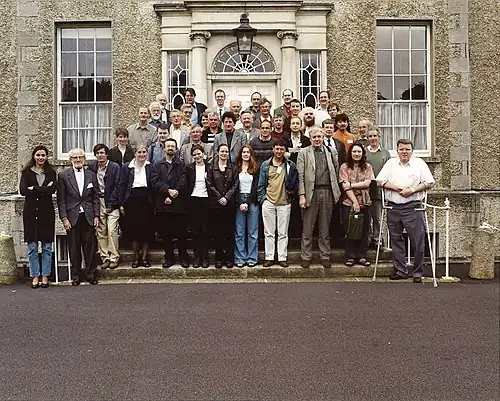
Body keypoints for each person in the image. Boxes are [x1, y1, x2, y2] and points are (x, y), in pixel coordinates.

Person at [376, 138, 435, 283]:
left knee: (418, 242)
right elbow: (379, 181)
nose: (404, 152)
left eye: (407, 149)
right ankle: (400, 271)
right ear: (397, 150)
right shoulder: (390, 163)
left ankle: (418, 273)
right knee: (396, 241)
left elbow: (429, 182)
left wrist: (412, 190)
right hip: (393, 207)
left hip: (413, 207)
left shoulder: (419, 163)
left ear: (412, 151)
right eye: (401, 149)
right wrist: (396, 188)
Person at [297, 127, 342, 268]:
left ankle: (325, 255)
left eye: (319, 137)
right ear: (310, 139)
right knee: (307, 227)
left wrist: (336, 192)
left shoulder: (331, 151)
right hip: (311, 192)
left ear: (323, 138)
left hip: (327, 191)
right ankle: (306, 256)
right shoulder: (304, 152)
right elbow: (300, 176)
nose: (317, 139)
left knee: (325, 227)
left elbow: (336, 170)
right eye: (314, 137)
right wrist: (302, 195)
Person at [57, 148, 100, 286]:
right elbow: (61, 200)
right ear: (70, 160)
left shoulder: (91, 175)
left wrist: (96, 215)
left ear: (84, 159)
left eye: (80, 157)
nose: (78, 160)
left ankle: (90, 274)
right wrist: (64, 218)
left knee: (90, 248)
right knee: (74, 248)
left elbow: (95, 198)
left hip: (88, 216)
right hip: (72, 217)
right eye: (75, 158)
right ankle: (76, 275)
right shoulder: (63, 175)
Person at [19, 145, 57, 288]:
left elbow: (51, 190)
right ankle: (35, 275)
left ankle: (45, 275)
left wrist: (34, 188)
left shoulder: (51, 172)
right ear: (34, 156)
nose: (41, 158)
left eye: (43, 155)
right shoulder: (26, 172)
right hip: (30, 213)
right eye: (38, 155)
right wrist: (42, 189)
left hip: (46, 213)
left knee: (47, 246)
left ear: (46, 157)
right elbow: (23, 191)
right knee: (32, 247)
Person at [257, 140, 298, 267]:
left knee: (283, 233)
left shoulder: (290, 165)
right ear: (273, 149)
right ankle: (269, 257)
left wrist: (291, 195)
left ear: (285, 150)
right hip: (269, 201)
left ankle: (282, 257)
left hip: (284, 202)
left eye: (282, 149)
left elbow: (295, 182)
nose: (279, 151)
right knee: (268, 232)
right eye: (277, 149)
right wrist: (263, 199)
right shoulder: (265, 165)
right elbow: (261, 184)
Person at [151, 138, 190, 268]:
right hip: (163, 204)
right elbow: (155, 182)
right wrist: (167, 192)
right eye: (168, 146)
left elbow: (183, 181)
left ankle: (183, 257)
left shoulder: (181, 165)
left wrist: (174, 194)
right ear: (164, 148)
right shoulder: (157, 165)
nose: (170, 148)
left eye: (173, 146)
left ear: (176, 149)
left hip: (178, 204)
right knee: (166, 234)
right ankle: (169, 258)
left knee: (181, 234)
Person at [339, 142, 374, 268]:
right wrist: (355, 202)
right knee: (350, 230)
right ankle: (350, 256)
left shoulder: (368, 167)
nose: (356, 154)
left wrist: (352, 185)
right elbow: (345, 186)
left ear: (362, 153)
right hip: (349, 202)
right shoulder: (344, 167)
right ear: (350, 153)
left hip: (365, 201)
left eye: (359, 151)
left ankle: (362, 256)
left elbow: (367, 183)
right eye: (354, 151)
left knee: (364, 230)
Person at [119, 145, 154, 268]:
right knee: (134, 231)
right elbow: (122, 185)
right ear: (135, 154)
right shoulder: (127, 167)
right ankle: (136, 257)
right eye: (139, 152)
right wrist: (121, 203)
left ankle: (144, 258)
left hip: (146, 201)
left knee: (146, 231)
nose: (142, 154)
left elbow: (153, 184)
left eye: (144, 152)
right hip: (132, 200)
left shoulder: (150, 166)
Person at [89, 144, 121, 270]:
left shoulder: (114, 167)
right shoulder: (93, 167)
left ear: (107, 154)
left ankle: (114, 257)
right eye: (97, 153)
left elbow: (118, 186)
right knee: (101, 230)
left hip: (112, 201)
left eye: (102, 153)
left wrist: (111, 203)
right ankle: (105, 257)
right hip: (98, 200)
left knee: (112, 230)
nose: (100, 155)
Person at [207, 144, 237, 268]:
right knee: (218, 232)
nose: (224, 154)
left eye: (226, 152)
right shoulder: (211, 167)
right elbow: (209, 183)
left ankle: (229, 258)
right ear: (218, 153)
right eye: (222, 151)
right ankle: (219, 258)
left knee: (229, 232)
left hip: (229, 204)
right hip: (216, 204)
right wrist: (219, 197)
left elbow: (235, 184)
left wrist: (227, 197)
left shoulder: (233, 167)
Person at [234, 145, 260, 268]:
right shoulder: (236, 169)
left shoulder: (255, 169)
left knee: (252, 232)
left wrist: (248, 202)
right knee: (239, 232)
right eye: (243, 152)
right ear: (240, 154)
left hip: (252, 201)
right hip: (239, 201)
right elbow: (234, 187)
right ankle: (240, 257)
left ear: (251, 154)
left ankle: (252, 258)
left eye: (248, 152)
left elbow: (256, 187)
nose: (245, 154)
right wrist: (240, 202)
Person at [185, 144, 211, 268]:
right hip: (194, 200)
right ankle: (197, 257)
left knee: (205, 230)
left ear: (203, 154)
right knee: (195, 231)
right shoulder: (189, 168)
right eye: (194, 154)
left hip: (206, 200)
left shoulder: (209, 167)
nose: (197, 156)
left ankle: (205, 257)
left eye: (199, 153)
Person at [365, 128, 391, 248]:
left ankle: (377, 240)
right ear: (367, 138)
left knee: (378, 217)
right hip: (366, 188)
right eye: (370, 136)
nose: (373, 138)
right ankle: (367, 239)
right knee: (366, 217)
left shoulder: (385, 153)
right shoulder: (364, 152)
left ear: (379, 137)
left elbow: (390, 171)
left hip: (380, 189)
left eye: (375, 136)